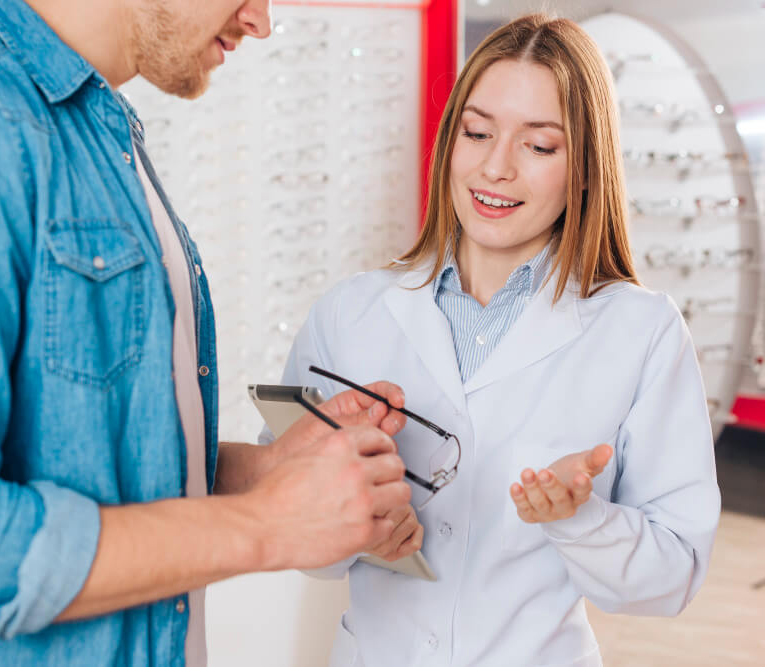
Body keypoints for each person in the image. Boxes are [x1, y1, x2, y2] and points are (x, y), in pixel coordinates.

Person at [0, 0, 423, 664]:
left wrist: (266, 472)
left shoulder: (99, 134)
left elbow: (87, 458)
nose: (260, 20)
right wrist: (267, 524)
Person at [275, 13, 721, 666]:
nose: (495, 167)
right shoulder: (351, 315)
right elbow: (287, 522)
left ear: (587, 169)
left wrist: (578, 515)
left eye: (539, 146)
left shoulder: (642, 332)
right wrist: (354, 524)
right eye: (476, 132)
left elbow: (674, 572)